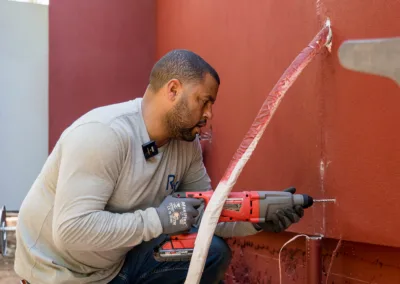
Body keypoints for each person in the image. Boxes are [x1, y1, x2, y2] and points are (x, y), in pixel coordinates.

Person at [14, 49, 304, 284]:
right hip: (58, 273)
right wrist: (157, 220)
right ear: (173, 90)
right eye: (204, 102)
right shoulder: (103, 134)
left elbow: (209, 211)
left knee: (211, 253)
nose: (209, 115)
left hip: (116, 265)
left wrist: (256, 219)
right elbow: (72, 230)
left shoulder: (185, 146)